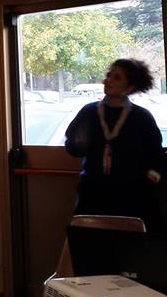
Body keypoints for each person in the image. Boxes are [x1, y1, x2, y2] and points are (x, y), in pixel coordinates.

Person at [64, 58, 166, 231]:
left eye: (117, 77)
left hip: (133, 197)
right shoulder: (89, 112)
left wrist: (150, 179)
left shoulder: (142, 117)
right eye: (108, 75)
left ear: (130, 87)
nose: (108, 80)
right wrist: (78, 144)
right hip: (93, 194)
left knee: (130, 246)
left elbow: (156, 156)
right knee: (89, 244)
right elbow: (72, 148)